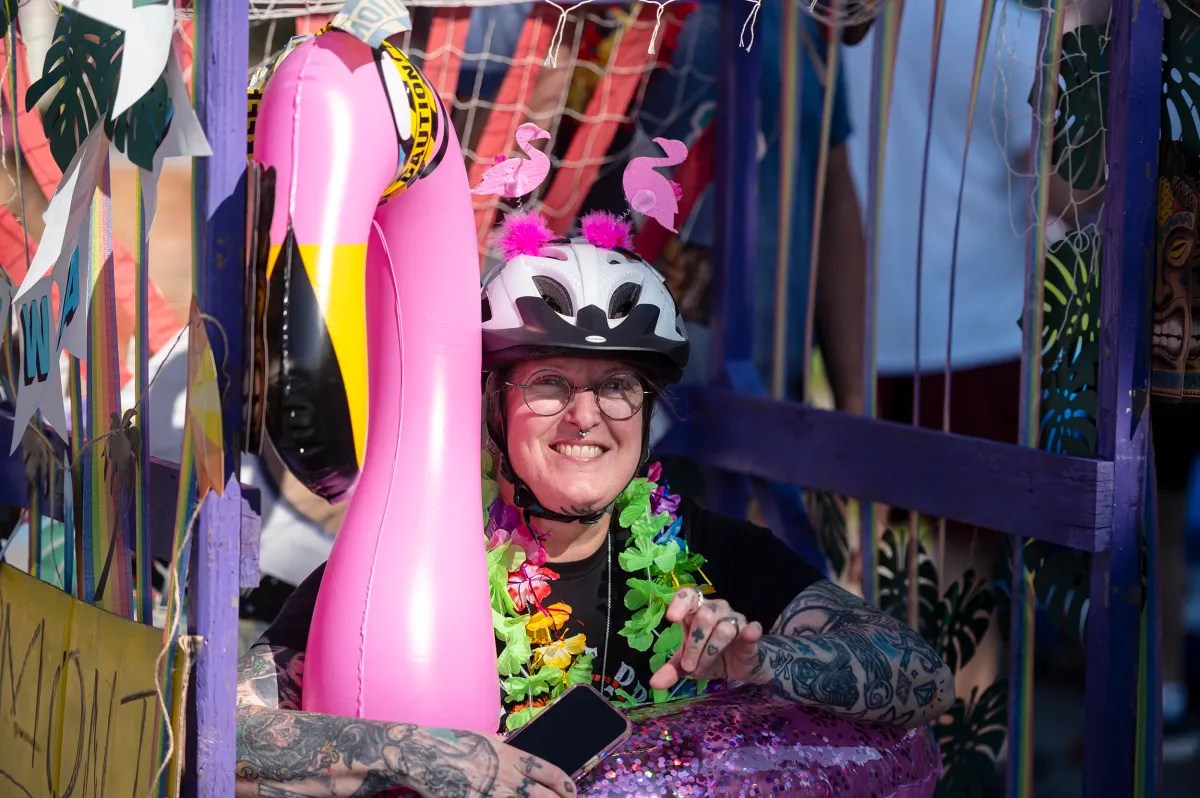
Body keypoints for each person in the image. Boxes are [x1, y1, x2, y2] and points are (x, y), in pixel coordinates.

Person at [235, 236, 954, 796]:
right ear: (492, 408)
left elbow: (924, 679)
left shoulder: (710, 551)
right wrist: (427, 757)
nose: (586, 418)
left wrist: (763, 662)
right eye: (549, 382)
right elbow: (226, 732)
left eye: (616, 386)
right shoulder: (405, 570)